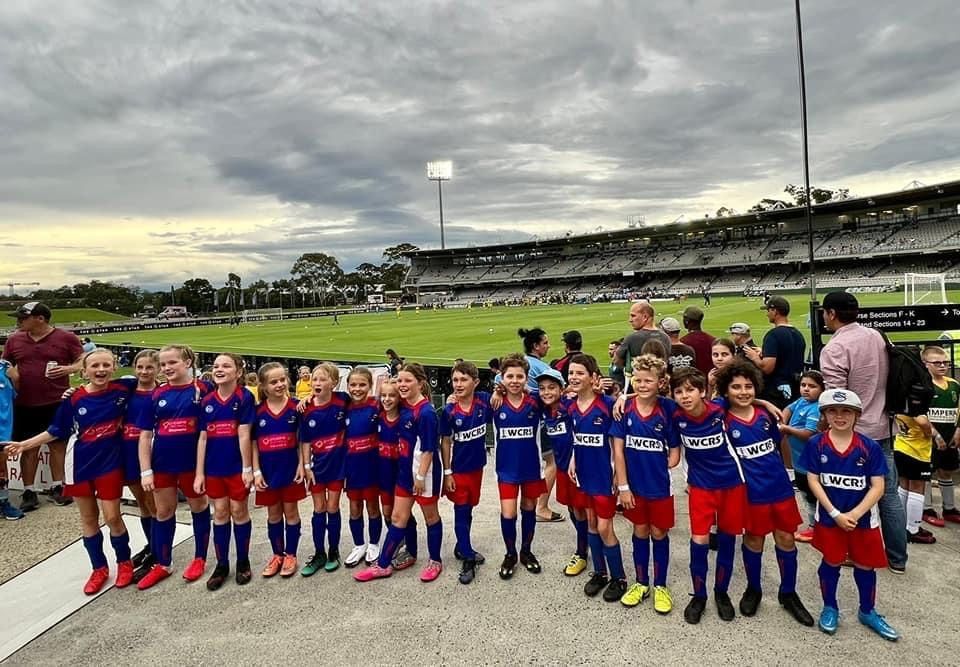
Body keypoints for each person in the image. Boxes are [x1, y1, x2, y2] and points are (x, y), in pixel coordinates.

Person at [4, 349, 136, 594]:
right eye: (95, 365)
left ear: (114, 367)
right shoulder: (74, 398)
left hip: (109, 464)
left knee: (112, 517)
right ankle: (99, 569)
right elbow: (56, 430)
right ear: (83, 371)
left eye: (106, 364)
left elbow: (151, 383)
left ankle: (124, 562)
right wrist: (24, 444)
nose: (101, 370)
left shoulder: (124, 388)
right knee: (88, 519)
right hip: (79, 465)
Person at [715, 360, 813, 626]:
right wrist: (761, 400)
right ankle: (753, 588)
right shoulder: (723, 418)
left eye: (748, 386)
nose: (743, 391)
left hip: (779, 488)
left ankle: (788, 593)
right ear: (726, 390)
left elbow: (780, 444)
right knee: (754, 539)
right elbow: (712, 403)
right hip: (750, 492)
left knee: (786, 539)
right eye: (736, 387)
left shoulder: (767, 415)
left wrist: (790, 473)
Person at [801, 389, 899, 641]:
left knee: (865, 565)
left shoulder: (869, 447)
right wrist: (835, 513)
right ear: (824, 414)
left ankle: (867, 611)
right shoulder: (816, 444)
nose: (839, 416)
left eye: (846, 411)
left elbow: (878, 487)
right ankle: (830, 607)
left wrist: (853, 514)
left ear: (857, 415)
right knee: (831, 561)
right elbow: (813, 479)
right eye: (832, 410)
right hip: (830, 518)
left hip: (863, 520)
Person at [820, 290, 907, 574]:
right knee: (888, 494)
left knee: (849, 494)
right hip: (883, 425)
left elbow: (836, 400)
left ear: (831, 314)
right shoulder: (877, 336)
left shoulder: (835, 347)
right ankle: (897, 558)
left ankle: (853, 552)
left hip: (854, 432)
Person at [670, 367, 746, 625]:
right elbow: (649, 401)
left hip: (731, 484)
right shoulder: (675, 416)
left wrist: (765, 402)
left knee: (727, 537)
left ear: (703, 391)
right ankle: (699, 594)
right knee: (699, 540)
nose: (685, 396)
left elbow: (745, 398)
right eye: (678, 391)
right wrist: (624, 396)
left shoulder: (720, 409)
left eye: (690, 389)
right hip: (700, 487)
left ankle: (721, 592)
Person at [355, 363, 443, 583]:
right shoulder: (404, 406)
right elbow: (383, 397)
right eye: (400, 380)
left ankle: (435, 560)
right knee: (397, 517)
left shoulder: (426, 413)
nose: (402, 385)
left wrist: (421, 477)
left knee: (430, 517)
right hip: (405, 474)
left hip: (424, 474)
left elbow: (429, 449)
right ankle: (383, 565)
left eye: (407, 381)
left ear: (420, 383)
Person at [135, 344, 213, 590]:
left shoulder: (203, 389)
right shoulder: (156, 395)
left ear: (187, 363)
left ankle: (200, 558)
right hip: (163, 463)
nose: (166, 368)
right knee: (163, 511)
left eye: (172, 363)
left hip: (193, 463)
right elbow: (145, 435)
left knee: (199, 506)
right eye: (164, 364)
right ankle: (163, 563)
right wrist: (146, 470)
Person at [610, 354, 680, 613]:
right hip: (633, 488)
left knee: (659, 532)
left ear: (660, 382)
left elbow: (675, 450)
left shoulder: (668, 409)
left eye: (648, 380)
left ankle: (661, 585)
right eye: (637, 380)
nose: (641, 385)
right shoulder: (624, 408)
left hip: (660, 486)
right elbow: (618, 451)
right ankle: (641, 583)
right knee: (640, 530)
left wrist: (667, 463)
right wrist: (624, 486)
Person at [2, 302, 85, 510]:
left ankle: (58, 486)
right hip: (24, 401)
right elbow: (5, 364)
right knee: (29, 448)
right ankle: (28, 491)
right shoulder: (15, 339)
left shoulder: (66, 338)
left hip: (56, 400)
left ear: (40, 318)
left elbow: (83, 361)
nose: (19, 321)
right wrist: (12, 374)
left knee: (58, 445)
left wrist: (69, 368)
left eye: (23, 317)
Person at [193, 353, 256, 590]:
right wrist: (199, 473)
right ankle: (222, 564)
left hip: (235, 468)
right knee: (219, 512)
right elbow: (202, 438)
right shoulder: (206, 401)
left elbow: (244, 434)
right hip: (213, 468)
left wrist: (247, 468)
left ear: (238, 372)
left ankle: (243, 561)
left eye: (226, 366)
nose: (219, 369)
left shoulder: (244, 397)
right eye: (216, 365)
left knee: (239, 510)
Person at [567, 354, 625, 602]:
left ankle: (619, 577)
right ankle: (600, 572)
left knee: (604, 526)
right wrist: (572, 458)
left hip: (604, 476)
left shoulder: (609, 406)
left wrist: (618, 476)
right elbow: (576, 437)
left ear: (594, 378)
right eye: (571, 373)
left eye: (580, 373)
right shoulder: (570, 406)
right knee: (591, 522)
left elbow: (617, 444)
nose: (573, 377)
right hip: (583, 474)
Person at [492, 354, 546, 580]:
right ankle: (510, 553)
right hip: (506, 469)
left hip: (532, 467)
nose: (514, 380)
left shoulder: (536, 400)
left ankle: (526, 551)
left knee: (528, 509)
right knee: (509, 513)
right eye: (509, 376)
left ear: (526, 378)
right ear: (502, 378)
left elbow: (560, 402)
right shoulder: (494, 402)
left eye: (519, 376)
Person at [252, 362, 305, 579]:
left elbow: (303, 440)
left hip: (290, 469)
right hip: (267, 471)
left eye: (283, 380)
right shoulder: (257, 412)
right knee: (273, 514)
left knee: (291, 512)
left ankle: (291, 554)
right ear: (263, 386)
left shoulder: (296, 407)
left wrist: (303, 464)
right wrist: (256, 471)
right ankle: (277, 554)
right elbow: (253, 443)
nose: (280, 384)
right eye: (274, 382)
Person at [439, 361, 490, 584]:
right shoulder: (449, 410)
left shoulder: (484, 402)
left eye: (463, 380)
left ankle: (462, 546)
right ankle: (467, 557)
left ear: (475, 382)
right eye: (455, 380)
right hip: (458, 471)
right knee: (461, 510)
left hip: (477, 467)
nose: (458, 384)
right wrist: (447, 471)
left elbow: (506, 393)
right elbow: (446, 441)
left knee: (469, 508)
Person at [299, 363, 348, 576]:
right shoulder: (305, 408)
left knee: (333, 507)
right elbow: (305, 441)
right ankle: (319, 552)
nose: (317, 383)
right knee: (318, 508)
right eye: (315, 379)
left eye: (322, 379)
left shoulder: (343, 400)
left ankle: (333, 551)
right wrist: (307, 465)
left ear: (334, 383)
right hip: (316, 468)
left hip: (337, 466)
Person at [536, 368, 586, 576]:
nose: (546, 392)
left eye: (552, 387)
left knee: (582, 511)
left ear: (561, 388)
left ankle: (582, 551)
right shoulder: (544, 408)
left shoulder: (570, 406)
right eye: (542, 388)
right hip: (563, 469)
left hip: (580, 468)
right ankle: (585, 544)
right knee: (573, 510)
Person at [121, 350, 160, 580]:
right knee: (141, 503)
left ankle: (158, 552)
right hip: (128, 450)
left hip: (151, 452)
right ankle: (150, 544)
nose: (144, 372)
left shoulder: (161, 392)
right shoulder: (126, 390)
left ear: (157, 369)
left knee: (154, 504)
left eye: (149, 368)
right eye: (140, 367)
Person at [516, 327, 562, 523]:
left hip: (526, 423)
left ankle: (532, 503)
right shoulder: (543, 369)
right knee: (553, 462)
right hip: (543, 423)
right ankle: (541, 506)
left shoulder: (520, 364)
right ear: (535, 346)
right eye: (545, 343)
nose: (548, 346)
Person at [342, 367, 383, 568]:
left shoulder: (377, 405)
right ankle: (358, 544)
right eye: (353, 385)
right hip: (352, 467)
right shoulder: (344, 406)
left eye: (362, 385)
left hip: (372, 465)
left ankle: (374, 544)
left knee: (373, 507)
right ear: (347, 386)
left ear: (370, 385)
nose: (357, 389)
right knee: (354, 507)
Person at [780, 370, 825, 543]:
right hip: (799, 462)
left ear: (822, 389)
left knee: (811, 495)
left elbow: (808, 433)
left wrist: (785, 429)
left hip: (809, 464)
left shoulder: (816, 408)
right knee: (806, 493)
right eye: (803, 385)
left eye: (812, 386)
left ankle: (815, 528)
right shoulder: (802, 401)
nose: (806, 389)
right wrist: (782, 419)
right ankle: (816, 525)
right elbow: (787, 409)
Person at [892, 372, 937, 545]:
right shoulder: (915, 401)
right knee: (918, 488)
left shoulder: (899, 397)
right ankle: (913, 529)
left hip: (901, 446)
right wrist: (930, 434)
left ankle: (903, 523)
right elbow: (923, 422)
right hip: (917, 451)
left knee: (904, 485)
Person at [920, 346, 960, 525]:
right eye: (937, 363)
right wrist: (934, 435)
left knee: (946, 471)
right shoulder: (923, 386)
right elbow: (919, 414)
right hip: (929, 439)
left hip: (950, 436)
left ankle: (949, 508)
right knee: (927, 472)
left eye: (946, 362)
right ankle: (927, 508)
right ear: (925, 364)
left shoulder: (954, 384)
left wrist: (958, 430)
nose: (942, 366)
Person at [743, 296, 805, 409]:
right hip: (795, 389)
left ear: (775, 311)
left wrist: (754, 357)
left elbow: (767, 368)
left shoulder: (773, 335)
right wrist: (764, 352)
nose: (767, 314)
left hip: (777, 393)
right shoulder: (798, 334)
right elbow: (787, 354)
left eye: (768, 310)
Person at [614, 302, 672, 380]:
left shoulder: (632, 338)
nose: (630, 320)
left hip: (638, 384)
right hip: (660, 382)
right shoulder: (666, 337)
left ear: (645, 317)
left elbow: (617, 360)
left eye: (633, 316)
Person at [0, 359, 23, 520]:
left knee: (1, 467)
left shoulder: (5, 368)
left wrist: (16, 378)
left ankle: (3, 501)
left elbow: (15, 394)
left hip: (2, 430)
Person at [680, 306, 715, 377]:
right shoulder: (713, 340)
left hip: (694, 382)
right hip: (711, 380)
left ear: (687, 321)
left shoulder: (683, 342)